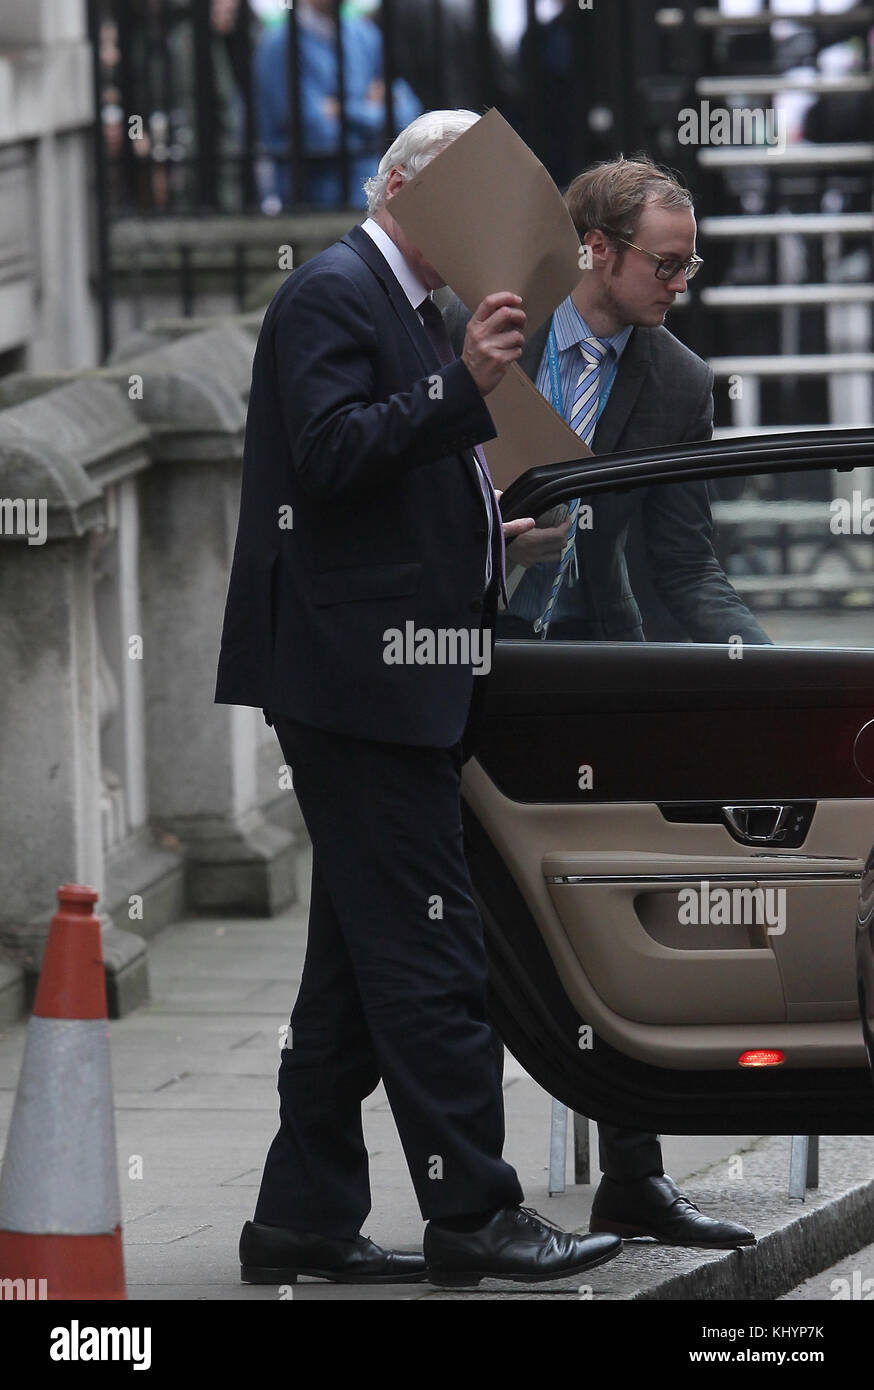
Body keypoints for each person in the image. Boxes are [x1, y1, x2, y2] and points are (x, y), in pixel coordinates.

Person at [214, 108, 623, 1286]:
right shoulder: (333, 295)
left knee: (352, 974)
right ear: (401, 189)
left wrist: (494, 530)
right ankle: (474, 1214)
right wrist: (468, 381)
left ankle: (300, 1218)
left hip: (393, 672)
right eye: (465, 192)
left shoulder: (407, 306)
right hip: (360, 683)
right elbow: (333, 455)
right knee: (435, 958)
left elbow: (388, 491)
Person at [443, 154, 763, 1247]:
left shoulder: (674, 379)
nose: (682, 282)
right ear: (599, 251)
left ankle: (635, 1175)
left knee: (620, 906)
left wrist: (754, 667)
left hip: (592, 658)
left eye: (689, 264)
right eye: (666, 264)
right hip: (475, 650)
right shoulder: (494, 328)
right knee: (466, 916)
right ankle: (470, 1192)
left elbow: (685, 562)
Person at [255, 0, 421, 209]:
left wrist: (342, 110)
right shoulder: (278, 44)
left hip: (371, 195)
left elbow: (407, 113)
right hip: (312, 201)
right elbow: (314, 131)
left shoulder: (365, 34)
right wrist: (370, 110)